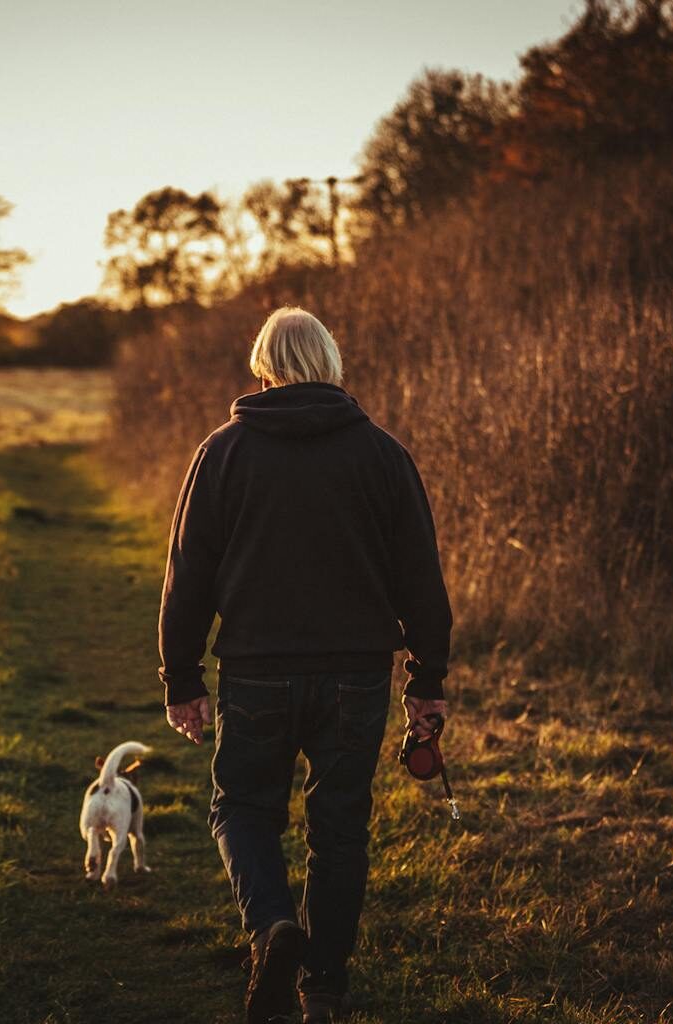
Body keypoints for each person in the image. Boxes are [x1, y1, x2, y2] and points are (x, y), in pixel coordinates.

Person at [159, 307, 453, 1024]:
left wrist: (183, 678)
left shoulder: (222, 453)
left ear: (262, 365)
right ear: (330, 363)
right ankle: (323, 989)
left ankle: (271, 928)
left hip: (256, 671)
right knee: (340, 828)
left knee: (242, 808)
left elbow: (188, 572)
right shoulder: (383, 454)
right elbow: (421, 578)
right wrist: (428, 681)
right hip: (356, 675)